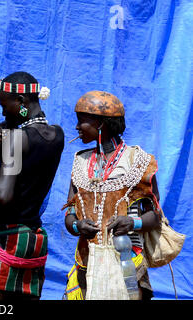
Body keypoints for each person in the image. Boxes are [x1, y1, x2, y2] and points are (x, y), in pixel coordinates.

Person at [0, 72, 64, 300]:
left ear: (21, 102)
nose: (2, 112)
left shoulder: (17, 138)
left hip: (5, 240)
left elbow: (3, 194)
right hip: (34, 241)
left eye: (4, 105)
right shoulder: (57, 134)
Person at [62, 90, 161, 300]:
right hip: (86, 263)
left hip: (127, 263)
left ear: (100, 124)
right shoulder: (80, 161)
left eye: (82, 121)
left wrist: (132, 223)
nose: (77, 127)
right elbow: (70, 213)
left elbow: (155, 217)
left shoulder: (138, 160)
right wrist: (77, 226)